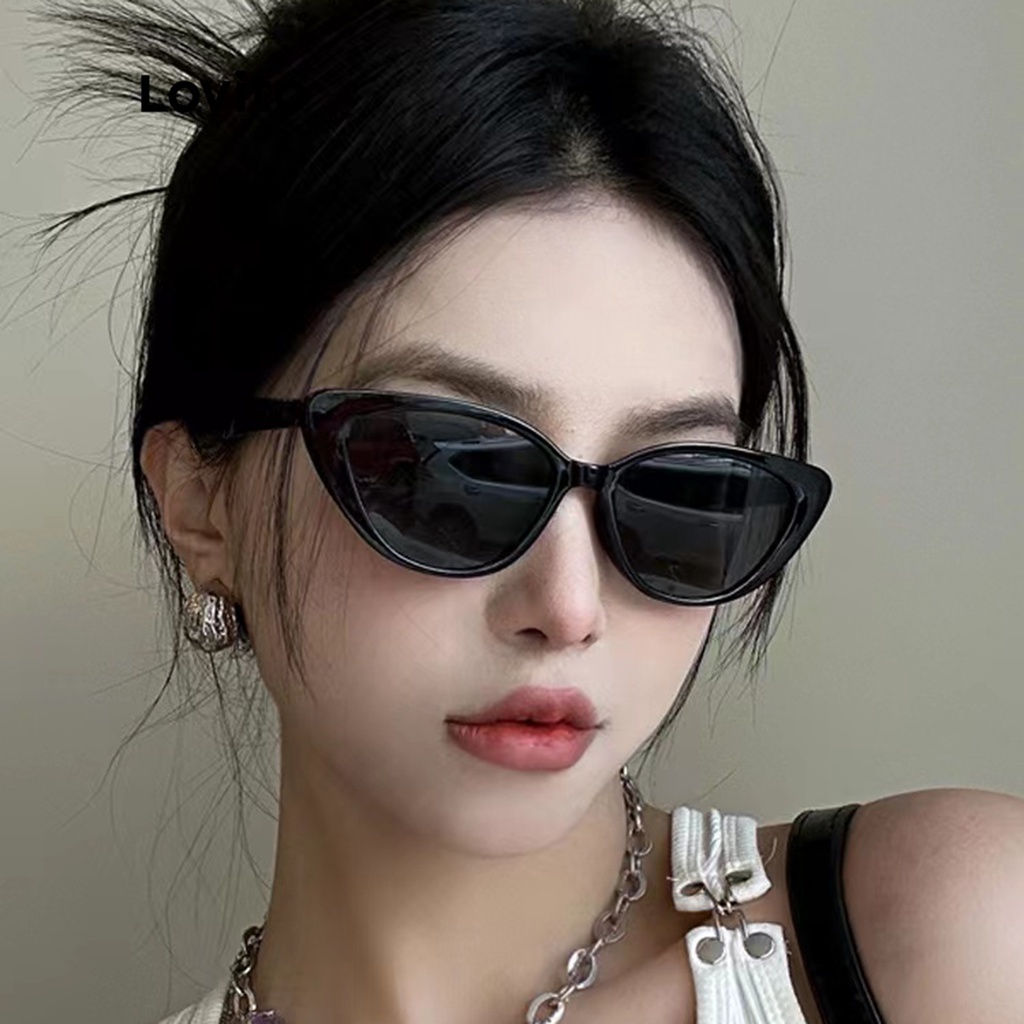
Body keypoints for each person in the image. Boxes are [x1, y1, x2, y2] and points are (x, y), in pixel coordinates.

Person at [30, 0, 1024, 1021]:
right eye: (451, 472)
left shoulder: (945, 942)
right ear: (202, 504)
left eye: (678, 490)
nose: (570, 604)